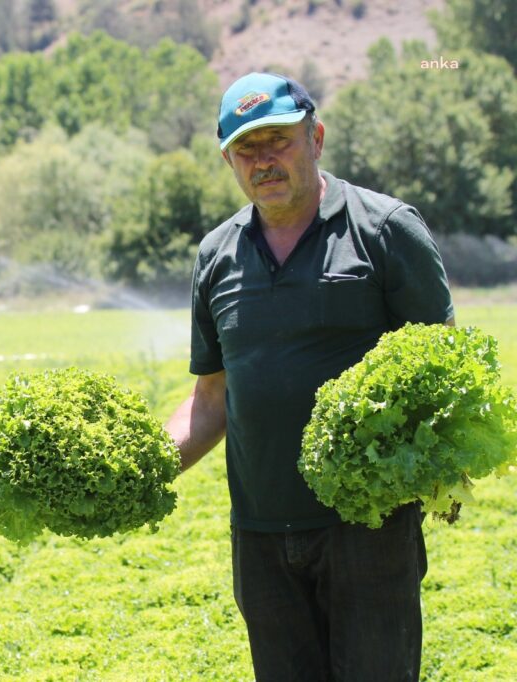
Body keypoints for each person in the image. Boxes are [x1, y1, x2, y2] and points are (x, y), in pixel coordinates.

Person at [166, 73, 453, 681]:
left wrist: (442, 471)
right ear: (228, 160)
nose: (264, 159)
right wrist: (137, 467)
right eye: (247, 148)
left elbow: (447, 376)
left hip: (368, 532)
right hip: (262, 532)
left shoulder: (384, 230)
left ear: (315, 137)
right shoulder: (217, 255)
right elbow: (211, 398)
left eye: (279, 140)